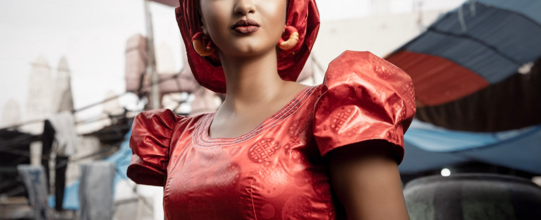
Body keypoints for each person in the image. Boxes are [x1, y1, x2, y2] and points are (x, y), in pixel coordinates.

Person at [127, 0, 415, 219]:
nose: (244, 6)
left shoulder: (341, 111)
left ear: (289, 8)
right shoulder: (174, 140)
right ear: (198, 15)